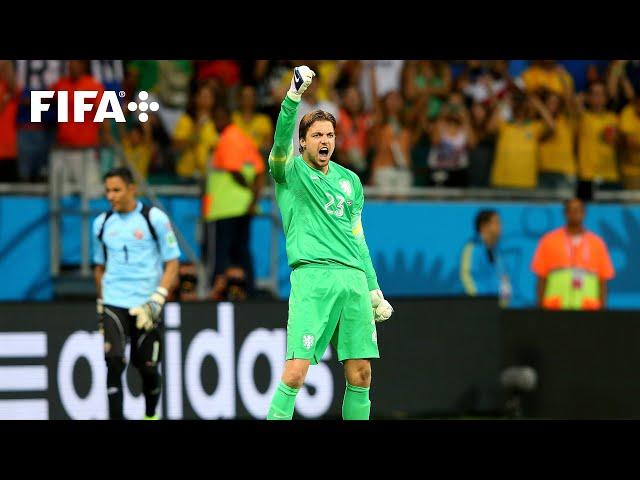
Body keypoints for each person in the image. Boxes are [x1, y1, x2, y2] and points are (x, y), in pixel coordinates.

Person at [266, 66, 394, 421]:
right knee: (296, 372)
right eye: (317, 135)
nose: (325, 141)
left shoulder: (350, 181)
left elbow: (358, 237)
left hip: (353, 279)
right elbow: (279, 143)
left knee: (362, 374)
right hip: (313, 278)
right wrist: (292, 97)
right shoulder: (289, 173)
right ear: (303, 142)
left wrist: (373, 289)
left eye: (330, 135)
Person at [93, 167, 181, 420]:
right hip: (114, 302)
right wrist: (101, 305)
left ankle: (150, 415)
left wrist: (158, 299)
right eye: (108, 191)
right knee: (113, 364)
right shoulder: (101, 224)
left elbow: (172, 263)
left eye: (116, 190)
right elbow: (99, 268)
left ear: (132, 189)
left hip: (146, 304)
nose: (111, 196)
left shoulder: (154, 219)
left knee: (148, 368)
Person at [531, 198, 615, 310]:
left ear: (584, 213)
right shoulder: (548, 241)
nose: (575, 213)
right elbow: (541, 279)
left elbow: (603, 281)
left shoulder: (597, 243)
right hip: (555, 308)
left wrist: (602, 310)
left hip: (588, 309)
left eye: (578, 210)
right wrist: (541, 308)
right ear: (565, 213)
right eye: (571, 210)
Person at [459, 210, 511, 307]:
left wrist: (503, 304)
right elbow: (466, 277)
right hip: (477, 308)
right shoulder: (471, 249)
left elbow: (505, 281)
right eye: (496, 223)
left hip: (497, 310)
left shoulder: (499, 254)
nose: (501, 227)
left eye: (500, 223)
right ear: (484, 226)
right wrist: (479, 303)